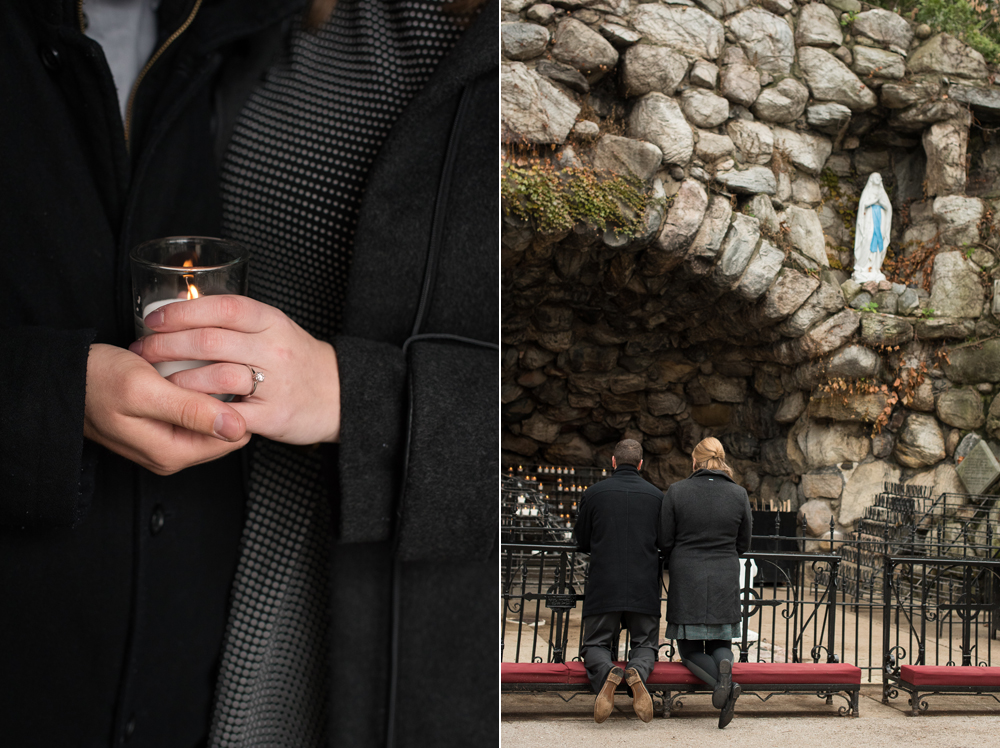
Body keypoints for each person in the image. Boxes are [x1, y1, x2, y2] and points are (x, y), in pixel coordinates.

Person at [1, 0, 496, 746]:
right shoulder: (273, 24)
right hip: (221, 600)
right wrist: (53, 393)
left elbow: (581, 405)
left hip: (414, 628)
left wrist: (349, 394)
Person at [660, 437, 752, 729]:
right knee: (720, 641)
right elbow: (744, 542)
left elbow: (664, 540)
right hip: (725, 572)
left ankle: (724, 684)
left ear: (694, 460)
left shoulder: (677, 491)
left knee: (688, 648)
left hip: (687, 573)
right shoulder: (739, 494)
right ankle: (726, 675)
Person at [573, 439, 664, 724]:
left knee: (595, 644)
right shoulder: (657, 496)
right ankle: (635, 670)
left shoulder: (594, 493)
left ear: (613, 462)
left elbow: (582, 540)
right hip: (643, 583)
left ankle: (607, 673)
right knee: (646, 645)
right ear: (640, 464)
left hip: (605, 582)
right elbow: (664, 541)